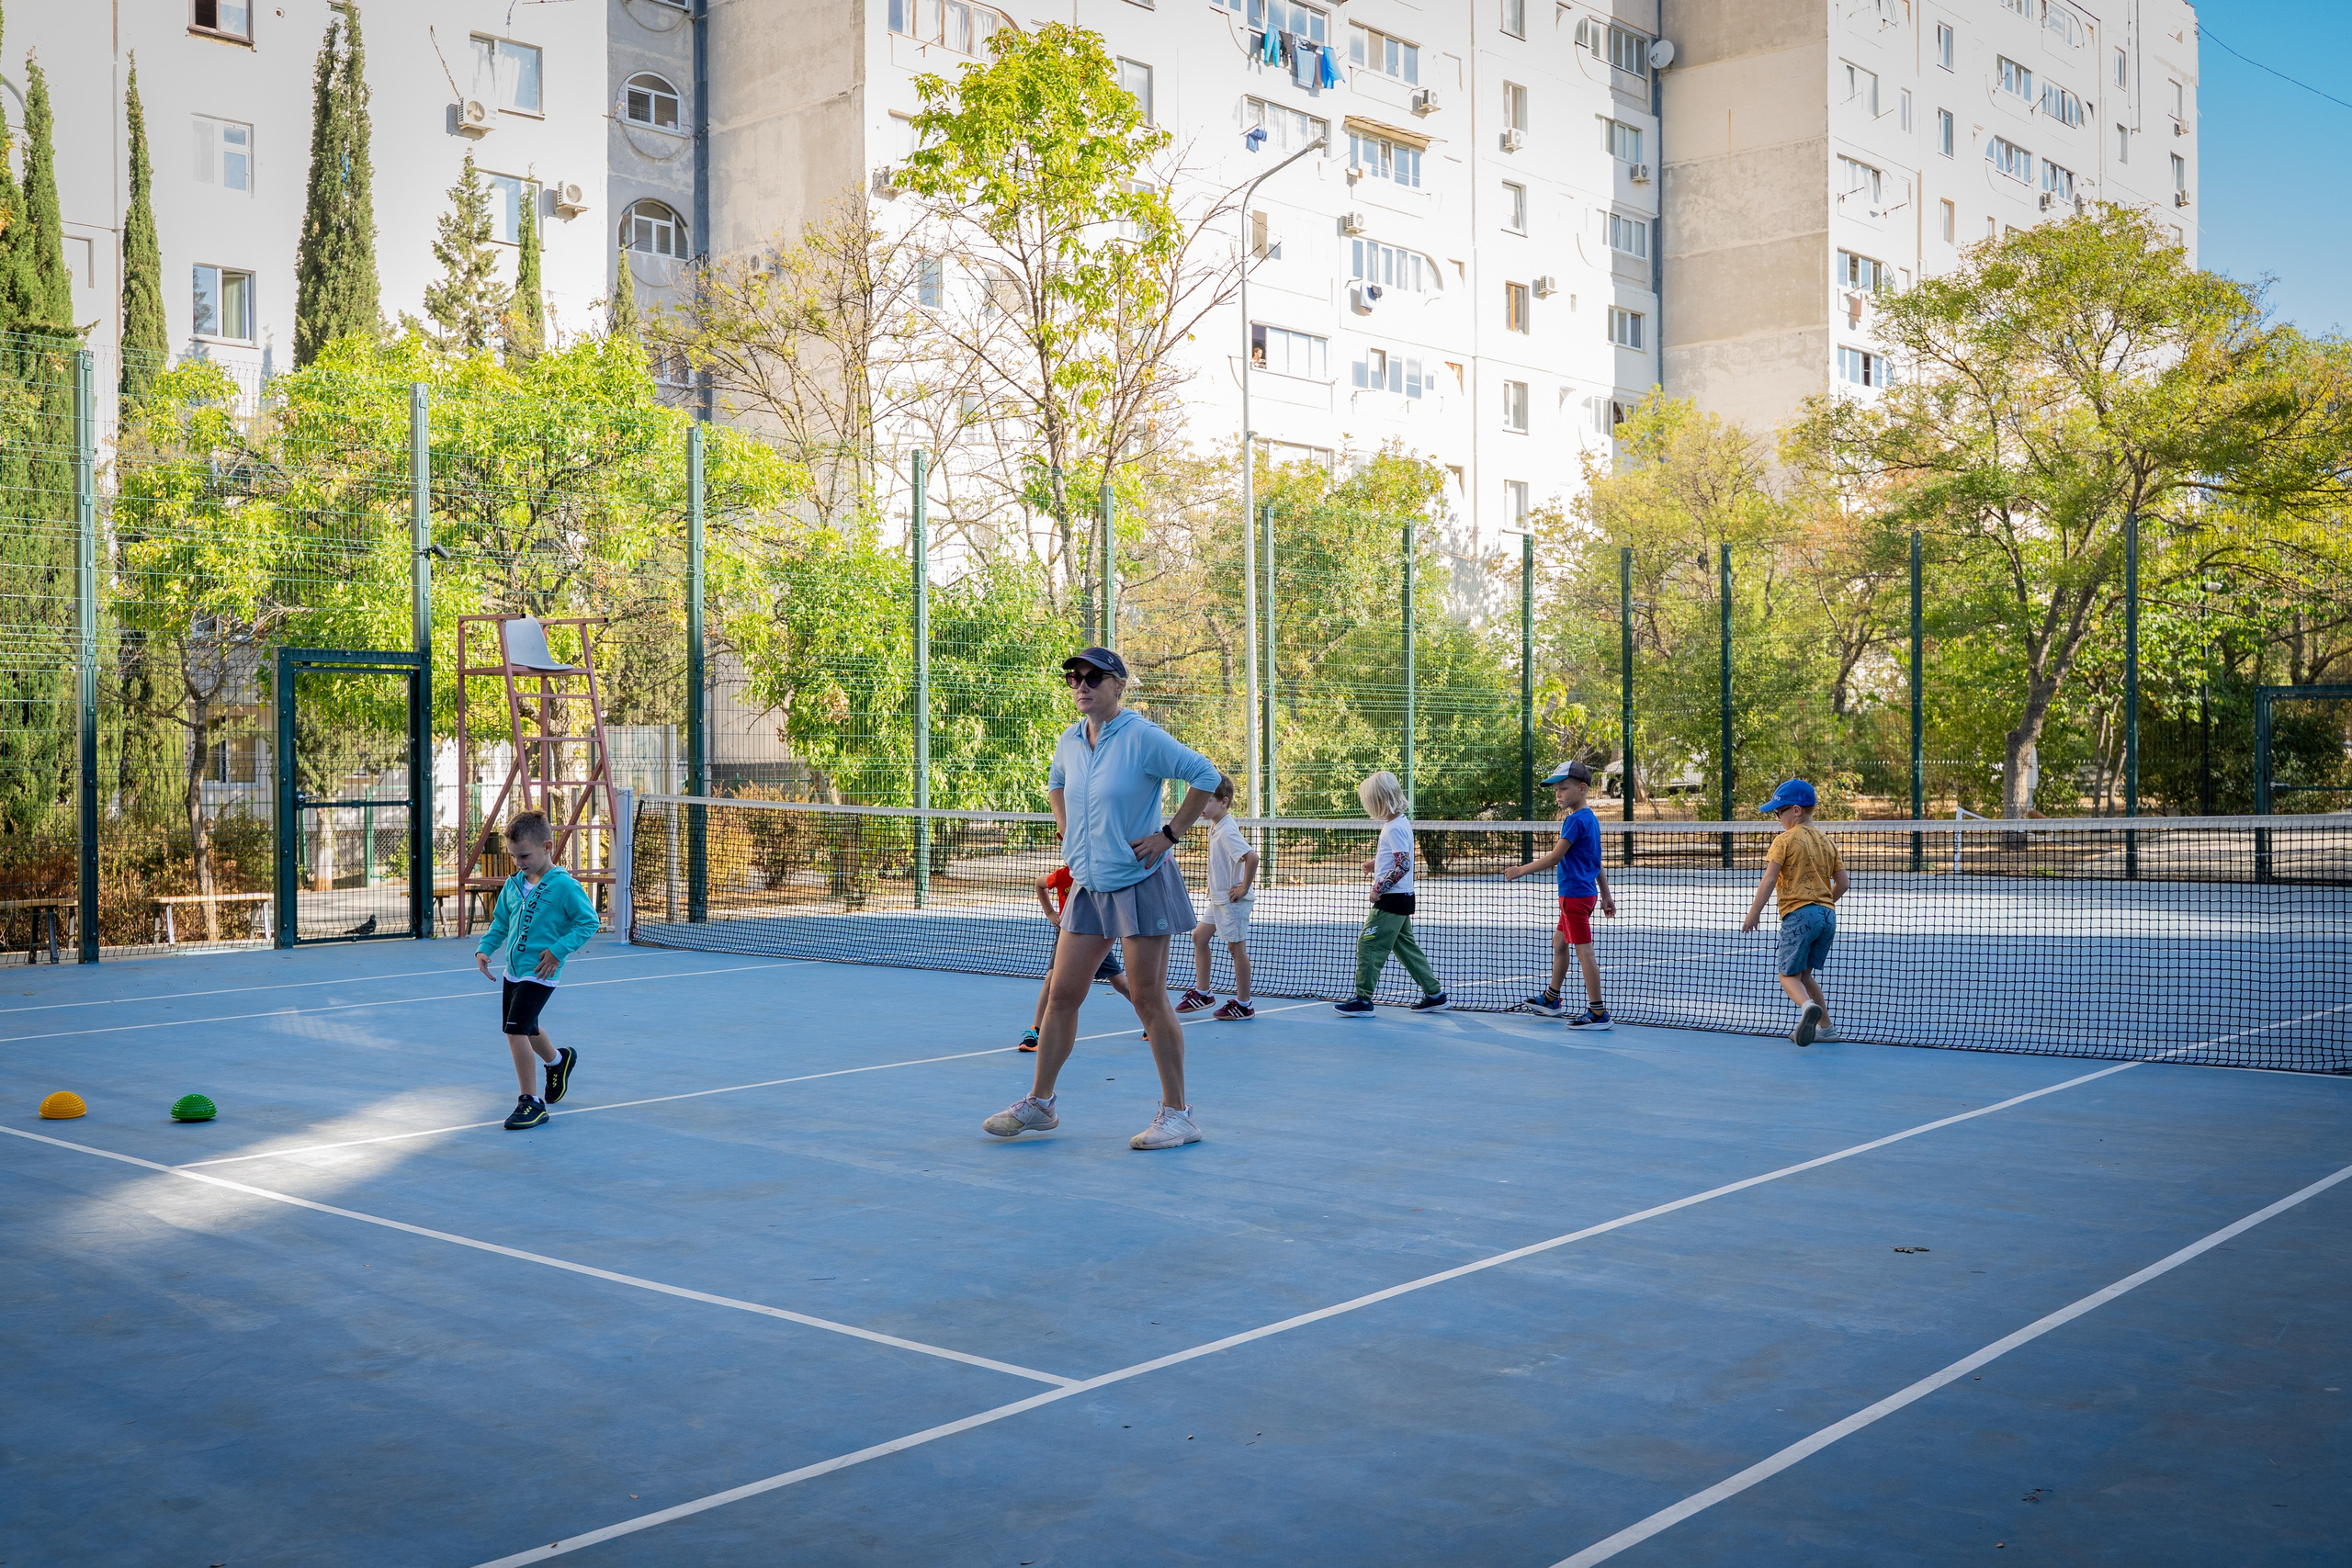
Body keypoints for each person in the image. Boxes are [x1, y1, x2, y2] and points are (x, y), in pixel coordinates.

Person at [983, 647, 1227, 1149]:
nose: (1081, 685)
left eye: (1094, 677)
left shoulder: (1142, 737)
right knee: (1063, 994)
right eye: (1074, 677)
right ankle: (1041, 1104)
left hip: (1142, 881)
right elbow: (1056, 784)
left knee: (1147, 998)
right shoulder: (1070, 740)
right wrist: (1067, 830)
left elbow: (1206, 776)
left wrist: (1169, 834)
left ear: (1119, 685)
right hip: (1090, 886)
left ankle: (1179, 1115)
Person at [473, 811, 602, 1129]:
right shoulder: (514, 885)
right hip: (513, 971)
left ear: (547, 847)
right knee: (527, 1028)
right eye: (514, 856)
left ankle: (530, 1101)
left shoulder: (564, 886)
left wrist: (558, 951)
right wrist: (485, 948)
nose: (519, 862)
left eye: (525, 855)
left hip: (541, 972)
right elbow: (501, 921)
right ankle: (558, 1061)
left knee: (515, 1031)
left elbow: (589, 922)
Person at [1503, 760, 1617, 1029]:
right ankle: (1552, 999)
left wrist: (1521, 870)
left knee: (1584, 952)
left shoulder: (1575, 821)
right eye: (1556, 790)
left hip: (1575, 898)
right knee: (1559, 943)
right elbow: (1596, 861)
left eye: (1563, 788)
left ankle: (1598, 1012)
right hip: (1581, 896)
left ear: (1582, 788)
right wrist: (1606, 895)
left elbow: (1555, 858)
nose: (1558, 794)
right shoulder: (1590, 819)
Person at [1739, 778, 1850, 1046]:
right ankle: (1827, 1028)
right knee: (1805, 975)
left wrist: (1754, 913)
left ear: (1796, 810)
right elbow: (1844, 884)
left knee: (1787, 976)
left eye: (1780, 812)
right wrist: (1821, 904)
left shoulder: (1784, 840)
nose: (1778, 818)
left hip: (1799, 915)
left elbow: (1768, 880)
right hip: (1827, 916)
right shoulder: (1827, 842)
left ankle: (1807, 1007)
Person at [1334, 771, 1450, 1017]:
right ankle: (1435, 994)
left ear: (1380, 800)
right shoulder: (1397, 823)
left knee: (1368, 945)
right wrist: (1375, 863)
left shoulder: (1395, 827)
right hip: (1402, 897)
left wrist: (1378, 889)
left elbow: (1404, 865)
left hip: (1391, 899)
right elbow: (1396, 857)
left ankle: (1363, 1000)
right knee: (1406, 948)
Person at [1022, 859, 1132, 1052]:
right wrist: (1049, 912)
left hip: (1094, 934)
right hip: (1067, 933)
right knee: (1051, 979)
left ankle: (1149, 1019)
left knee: (1120, 983)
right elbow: (1039, 884)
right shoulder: (1062, 875)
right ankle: (1036, 1032)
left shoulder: (1102, 875)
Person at [1176, 777, 1259, 1021]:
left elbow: (1252, 858)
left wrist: (1243, 888)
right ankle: (1204, 993)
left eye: (1207, 801)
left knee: (1236, 949)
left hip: (1232, 901)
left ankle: (1245, 1004)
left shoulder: (1227, 831)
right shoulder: (1216, 826)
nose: (1202, 805)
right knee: (1199, 937)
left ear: (1224, 802)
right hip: (1219, 899)